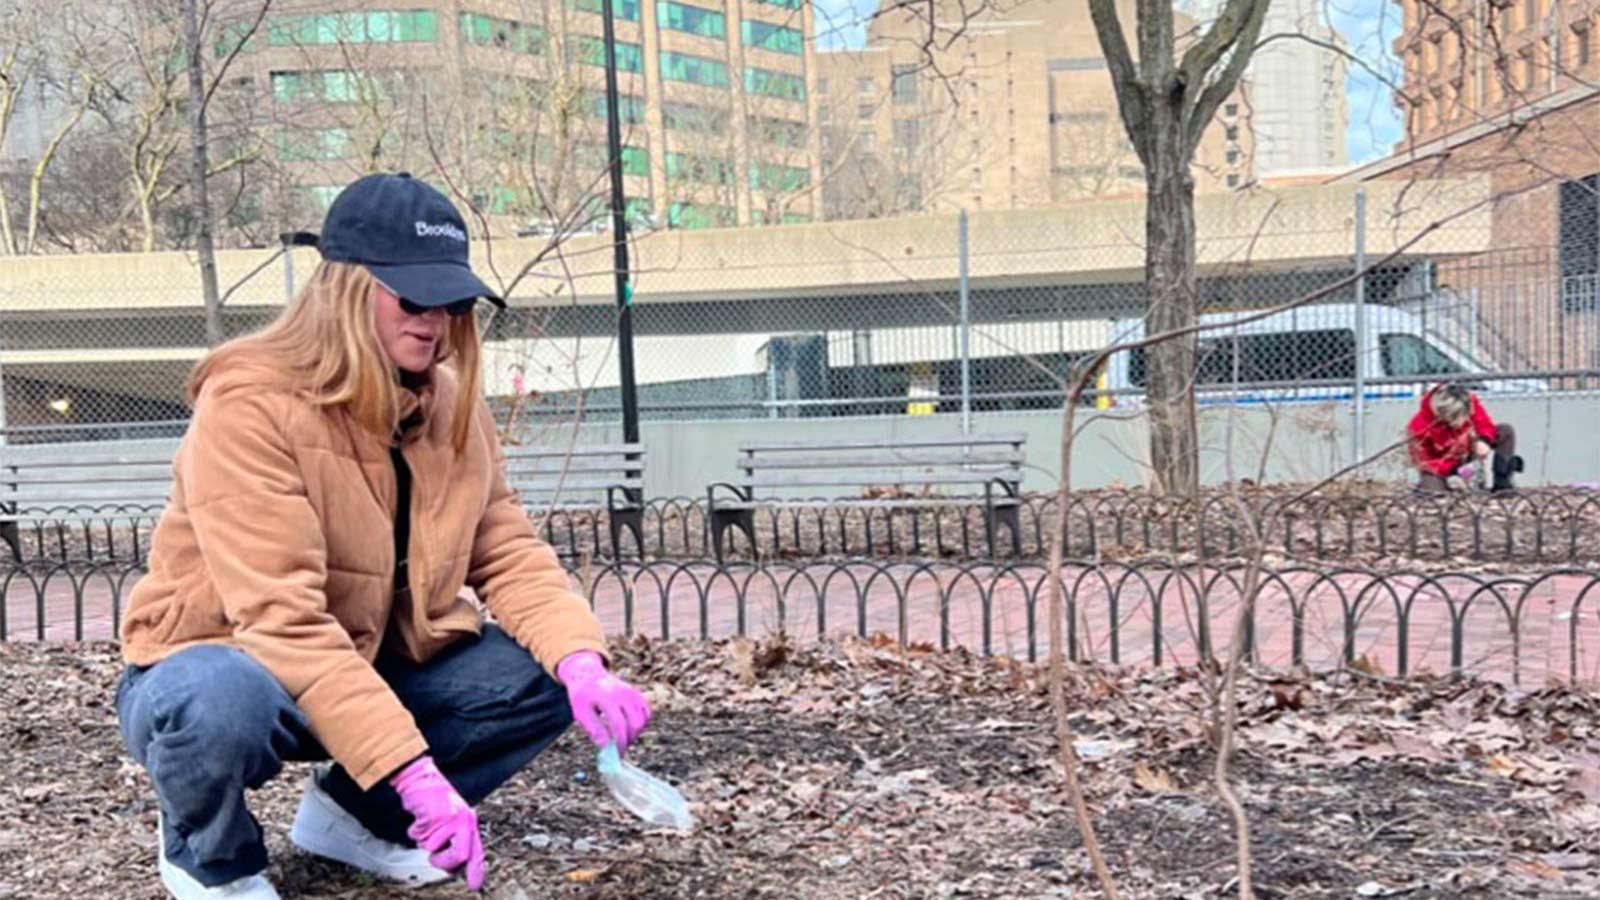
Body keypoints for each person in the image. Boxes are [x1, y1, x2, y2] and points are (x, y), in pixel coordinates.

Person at [114, 173, 652, 900]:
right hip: (238, 662)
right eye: (412, 296)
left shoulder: (450, 399)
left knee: (540, 674)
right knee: (215, 700)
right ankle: (209, 858)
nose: (434, 319)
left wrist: (583, 663)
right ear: (345, 289)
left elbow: (508, 550)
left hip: (371, 660)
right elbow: (282, 621)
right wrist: (416, 773)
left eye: (452, 299)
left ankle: (357, 822)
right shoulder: (249, 404)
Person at [1407, 382, 1522, 493]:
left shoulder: (1467, 401)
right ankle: (1447, 490)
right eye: (1458, 419)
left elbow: (1484, 424)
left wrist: (1484, 440)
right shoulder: (1418, 426)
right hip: (1442, 465)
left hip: (1466, 452)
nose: (1463, 422)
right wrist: (1454, 469)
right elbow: (1423, 462)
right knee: (1432, 491)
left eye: (1467, 416)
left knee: (1505, 430)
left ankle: (1502, 482)